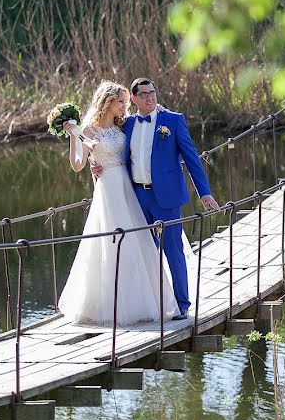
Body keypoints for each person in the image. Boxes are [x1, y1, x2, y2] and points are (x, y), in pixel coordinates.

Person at [95, 78, 219, 320]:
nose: (150, 98)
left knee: (173, 250)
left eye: (153, 93)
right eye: (143, 95)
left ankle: (182, 304)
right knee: (141, 252)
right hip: (137, 197)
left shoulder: (172, 120)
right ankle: (151, 304)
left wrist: (204, 191)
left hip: (167, 197)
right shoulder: (127, 125)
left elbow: (191, 157)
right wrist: (93, 163)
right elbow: (105, 144)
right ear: (134, 99)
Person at [57, 81, 179, 326]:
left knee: (137, 242)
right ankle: (110, 306)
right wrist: (73, 136)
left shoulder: (124, 125)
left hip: (127, 186)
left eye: (125, 101)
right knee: (110, 244)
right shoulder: (89, 131)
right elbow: (78, 164)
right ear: (108, 102)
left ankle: (144, 302)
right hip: (108, 190)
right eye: (121, 101)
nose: (125, 106)